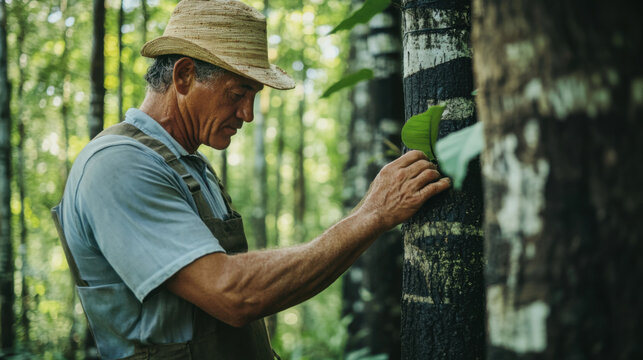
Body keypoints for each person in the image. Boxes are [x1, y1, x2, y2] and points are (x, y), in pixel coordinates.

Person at [52, 0, 451, 358]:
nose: (248, 114)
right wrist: (372, 214)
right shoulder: (118, 165)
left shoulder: (190, 166)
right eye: (238, 93)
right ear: (185, 76)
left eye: (254, 96)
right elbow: (234, 295)